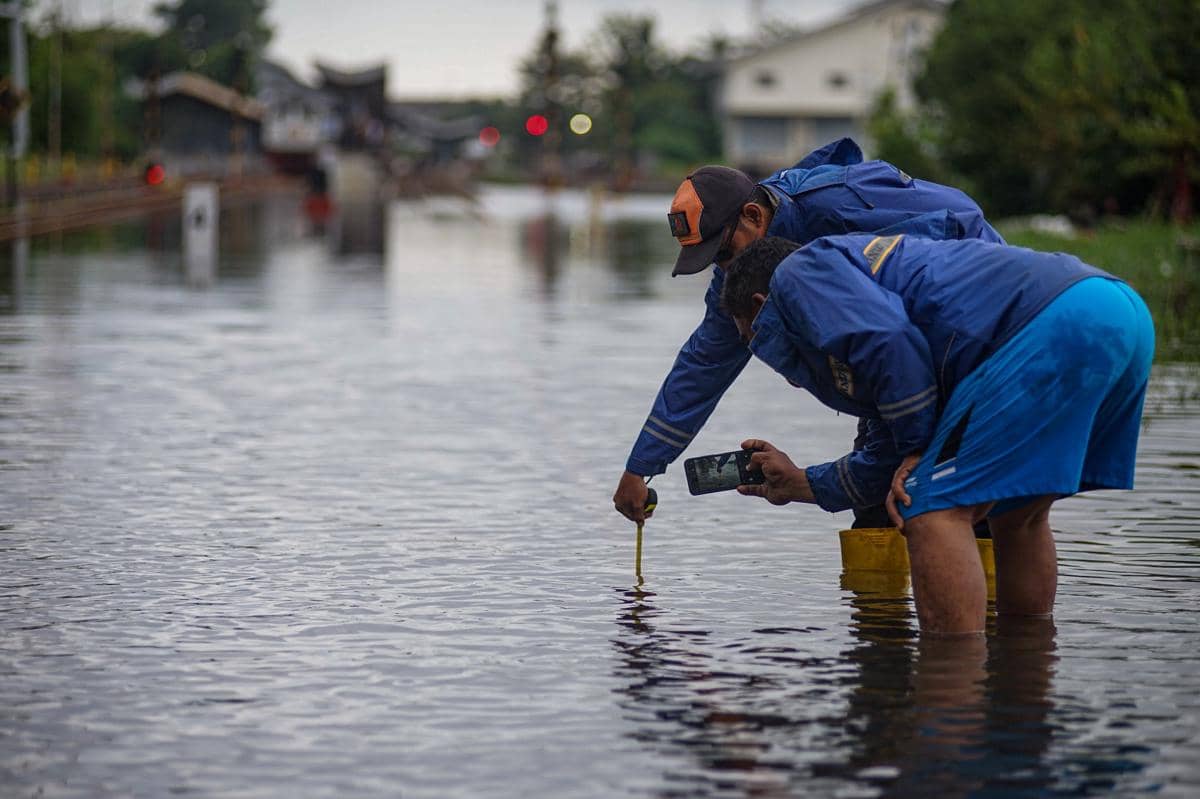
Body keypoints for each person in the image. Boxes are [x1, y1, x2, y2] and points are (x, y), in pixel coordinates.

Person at [719, 235, 1154, 634]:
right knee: (1016, 515)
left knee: (927, 506)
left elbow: (889, 340)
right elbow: (885, 449)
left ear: (762, 306)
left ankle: (949, 700)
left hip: (1049, 326)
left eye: (752, 338)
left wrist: (918, 450)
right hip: (1116, 311)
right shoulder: (868, 311)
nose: (763, 355)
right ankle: (1023, 683)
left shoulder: (798, 274)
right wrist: (801, 483)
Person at [612, 138, 1004, 525]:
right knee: (876, 496)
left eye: (724, 253)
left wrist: (916, 440)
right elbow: (704, 363)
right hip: (887, 353)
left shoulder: (837, 211)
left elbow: (961, 223)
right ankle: (879, 590)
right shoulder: (740, 270)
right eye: (712, 260)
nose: (724, 269)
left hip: (973, 327)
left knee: (940, 496)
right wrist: (641, 466)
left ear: (753, 214)